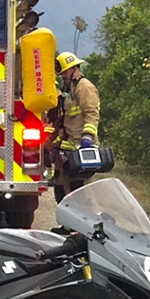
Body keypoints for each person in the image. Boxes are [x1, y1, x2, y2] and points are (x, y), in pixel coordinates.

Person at [45, 51, 100, 203]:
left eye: (65, 72)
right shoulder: (70, 90)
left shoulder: (84, 87)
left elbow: (92, 114)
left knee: (80, 192)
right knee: (63, 189)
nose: (63, 76)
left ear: (74, 69)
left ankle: (84, 225)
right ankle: (68, 225)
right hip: (69, 147)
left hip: (81, 148)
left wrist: (87, 138)